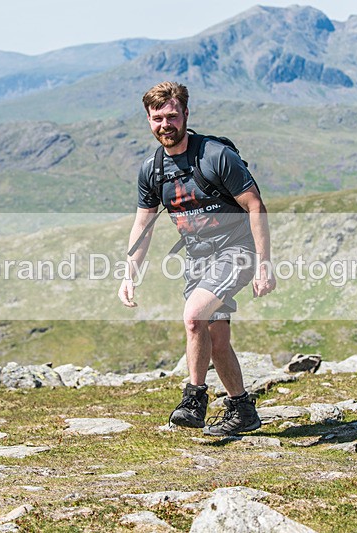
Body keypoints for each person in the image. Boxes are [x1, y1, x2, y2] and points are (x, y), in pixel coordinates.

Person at [118, 81, 276, 436]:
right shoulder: (152, 170)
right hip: (198, 258)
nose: (165, 125)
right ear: (148, 120)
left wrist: (264, 264)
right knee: (215, 338)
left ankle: (194, 398)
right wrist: (130, 275)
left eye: (172, 116)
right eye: (157, 118)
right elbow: (143, 226)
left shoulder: (216, 156)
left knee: (193, 317)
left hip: (238, 250)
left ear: (186, 114)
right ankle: (243, 410)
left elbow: (256, 206)